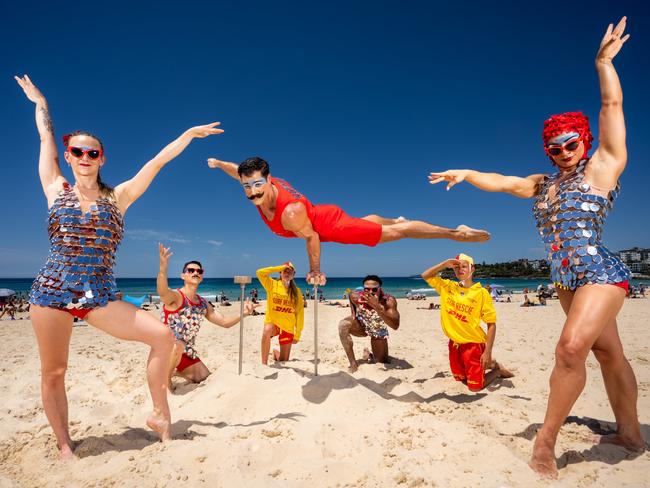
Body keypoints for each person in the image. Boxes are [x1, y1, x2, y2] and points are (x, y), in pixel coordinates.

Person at [428, 18, 643, 478]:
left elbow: (612, 106)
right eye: (554, 147)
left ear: (583, 143)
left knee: (569, 350)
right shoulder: (541, 185)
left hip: (601, 273)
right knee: (609, 354)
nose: (563, 151)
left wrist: (603, 62)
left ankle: (546, 441)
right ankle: (630, 433)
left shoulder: (602, 168)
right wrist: (465, 173)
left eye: (570, 143)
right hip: (565, 279)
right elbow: (502, 182)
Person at [15, 74, 223, 458]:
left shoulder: (119, 197)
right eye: (78, 152)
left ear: (102, 158)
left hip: (98, 295)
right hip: (50, 291)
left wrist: (188, 135)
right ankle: (64, 445)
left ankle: (161, 415)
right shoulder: (54, 188)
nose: (84, 158)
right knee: (54, 371)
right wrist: (39, 102)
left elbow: (156, 163)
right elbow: (47, 138)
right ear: (70, 156)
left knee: (164, 338)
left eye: (92, 153)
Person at [208, 157, 490, 285]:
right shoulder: (255, 184)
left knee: (395, 234)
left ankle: (455, 232)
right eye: (247, 186)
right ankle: (394, 218)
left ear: (269, 180)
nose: (252, 192)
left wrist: (315, 269)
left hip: (331, 228)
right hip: (324, 213)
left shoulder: (290, 212)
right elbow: (238, 172)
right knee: (370, 221)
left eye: (257, 185)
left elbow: (311, 237)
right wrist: (221, 164)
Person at [157, 245, 255, 389]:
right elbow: (163, 292)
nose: (195, 272)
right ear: (183, 275)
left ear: (202, 276)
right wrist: (163, 268)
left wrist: (244, 313)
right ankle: (165, 381)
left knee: (205, 377)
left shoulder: (202, 303)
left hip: (186, 352)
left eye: (199, 271)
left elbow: (224, 322)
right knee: (177, 345)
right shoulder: (177, 297)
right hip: (166, 350)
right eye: (190, 270)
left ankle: (178, 371)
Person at [422, 254, 513, 391]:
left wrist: (488, 351)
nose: (460, 269)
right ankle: (490, 364)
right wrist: (444, 264)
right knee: (460, 378)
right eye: (457, 267)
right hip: (454, 344)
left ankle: (497, 370)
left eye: (464, 266)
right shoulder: (448, 287)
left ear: (472, 269)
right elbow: (426, 275)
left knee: (475, 387)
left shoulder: (481, 293)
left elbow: (491, 324)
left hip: (473, 345)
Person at [338, 275, 400, 373]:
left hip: (378, 330)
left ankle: (369, 354)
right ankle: (353, 363)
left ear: (380, 289)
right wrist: (353, 313)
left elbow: (395, 325)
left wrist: (376, 306)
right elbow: (350, 296)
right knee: (343, 325)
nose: (370, 292)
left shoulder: (388, 301)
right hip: (361, 326)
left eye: (374, 290)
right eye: (367, 289)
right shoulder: (356, 296)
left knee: (381, 361)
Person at [256, 262, 304, 364]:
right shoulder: (272, 284)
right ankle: (263, 364)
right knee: (267, 329)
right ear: (280, 273)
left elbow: (300, 313)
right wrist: (279, 267)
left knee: (283, 361)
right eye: (284, 271)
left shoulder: (297, 292)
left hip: (288, 327)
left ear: (293, 274)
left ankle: (275, 353)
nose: (287, 273)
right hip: (274, 324)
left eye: (289, 271)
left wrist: (298, 334)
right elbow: (259, 273)